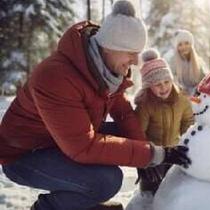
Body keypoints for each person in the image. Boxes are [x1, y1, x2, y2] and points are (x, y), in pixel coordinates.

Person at [0, 1, 191, 210]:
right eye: (131, 52)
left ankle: (81, 201)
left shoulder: (106, 70)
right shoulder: (55, 78)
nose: (136, 61)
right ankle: (49, 207)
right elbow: (83, 147)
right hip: (25, 154)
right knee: (106, 181)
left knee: (133, 129)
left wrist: (145, 151)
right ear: (110, 46)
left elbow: (123, 113)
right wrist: (152, 155)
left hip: (62, 139)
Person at [134, 49, 195, 195]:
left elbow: (188, 121)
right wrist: (143, 160)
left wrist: (190, 142)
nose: (163, 87)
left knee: (171, 190)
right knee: (151, 189)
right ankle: (146, 197)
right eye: (157, 84)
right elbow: (138, 133)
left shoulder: (181, 100)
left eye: (166, 82)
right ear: (149, 86)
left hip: (174, 153)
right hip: (153, 156)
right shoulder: (145, 105)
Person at [169, 29, 207, 96]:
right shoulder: (173, 62)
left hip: (197, 95)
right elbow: (172, 79)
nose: (184, 47)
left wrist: (197, 90)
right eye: (180, 44)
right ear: (177, 47)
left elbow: (204, 79)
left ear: (191, 45)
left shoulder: (199, 61)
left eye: (186, 43)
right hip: (181, 95)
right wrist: (180, 88)